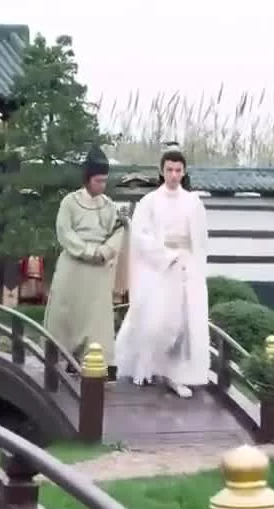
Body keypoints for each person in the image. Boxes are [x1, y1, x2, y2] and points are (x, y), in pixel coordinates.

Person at [114, 147, 210, 398]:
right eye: (169, 170)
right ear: (161, 171)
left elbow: (200, 241)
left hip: (186, 268)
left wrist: (193, 266)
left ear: (184, 172)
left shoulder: (193, 202)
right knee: (154, 321)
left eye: (178, 170)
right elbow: (141, 237)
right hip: (160, 268)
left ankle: (178, 374)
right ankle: (145, 367)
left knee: (184, 324)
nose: (174, 175)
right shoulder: (149, 202)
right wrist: (167, 256)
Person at [44, 145, 127, 378]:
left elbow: (119, 230)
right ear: (88, 179)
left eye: (105, 181)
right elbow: (65, 232)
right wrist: (88, 251)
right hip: (74, 264)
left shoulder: (109, 205)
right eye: (98, 180)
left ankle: (98, 362)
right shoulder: (70, 202)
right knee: (65, 313)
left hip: (99, 269)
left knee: (97, 319)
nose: (102, 185)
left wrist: (105, 251)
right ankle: (63, 357)